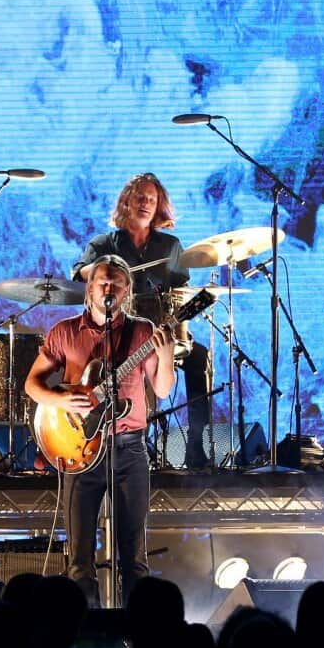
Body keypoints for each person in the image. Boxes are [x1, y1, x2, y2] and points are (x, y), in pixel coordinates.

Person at [26, 255, 175, 606]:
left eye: (117, 283)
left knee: (135, 559)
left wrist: (166, 356)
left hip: (129, 449)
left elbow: (164, 389)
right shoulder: (65, 332)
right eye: (102, 281)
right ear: (90, 287)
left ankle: (138, 638)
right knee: (79, 560)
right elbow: (32, 385)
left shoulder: (141, 331)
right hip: (80, 449)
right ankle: (84, 637)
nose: (109, 288)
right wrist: (61, 402)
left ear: (127, 291)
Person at [73, 173, 214, 469]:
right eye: (140, 197)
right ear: (126, 202)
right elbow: (80, 274)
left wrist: (178, 335)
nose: (145, 204)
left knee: (199, 357)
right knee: (131, 368)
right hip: (119, 336)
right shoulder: (103, 244)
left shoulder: (171, 246)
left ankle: (197, 446)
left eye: (151, 199)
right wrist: (104, 270)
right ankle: (137, 446)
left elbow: (179, 294)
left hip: (161, 331)